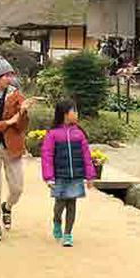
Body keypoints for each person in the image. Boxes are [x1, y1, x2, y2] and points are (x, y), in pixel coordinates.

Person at [0, 56, 37, 242]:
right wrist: (6, 123)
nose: (10, 78)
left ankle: (7, 206)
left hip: (13, 147)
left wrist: (23, 112)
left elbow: (21, 127)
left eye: (11, 75)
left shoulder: (16, 95)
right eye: (7, 75)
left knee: (17, 187)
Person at [42, 99, 96, 247]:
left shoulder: (79, 134)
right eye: (74, 111)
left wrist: (90, 176)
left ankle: (68, 234)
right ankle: (56, 221)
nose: (77, 114)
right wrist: (49, 177)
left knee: (72, 205)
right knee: (59, 205)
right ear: (65, 114)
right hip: (59, 177)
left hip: (76, 177)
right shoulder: (53, 134)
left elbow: (86, 155)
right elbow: (47, 156)